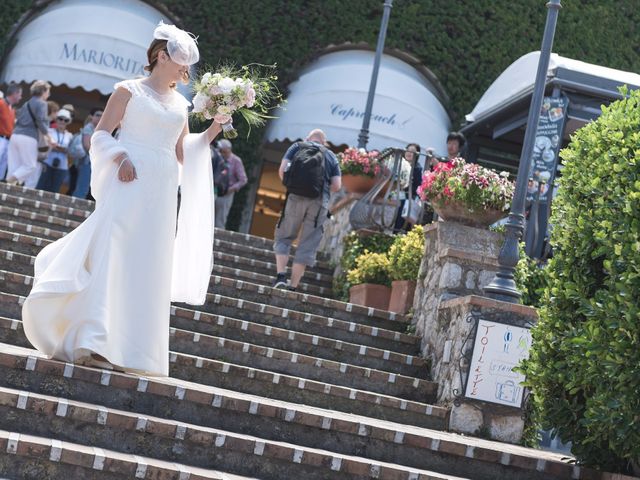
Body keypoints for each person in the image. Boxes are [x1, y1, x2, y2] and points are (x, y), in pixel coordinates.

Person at [22, 21, 220, 376]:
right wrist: (120, 156)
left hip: (161, 190)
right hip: (128, 180)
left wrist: (214, 129)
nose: (185, 69)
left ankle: (132, 350)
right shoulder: (127, 91)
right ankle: (95, 341)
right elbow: (99, 135)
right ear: (161, 57)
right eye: (180, 61)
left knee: (147, 263)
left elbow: (182, 152)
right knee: (113, 252)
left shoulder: (180, 104)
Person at [273, 129, 341, 291]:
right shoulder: (330, 155)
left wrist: (293, 186)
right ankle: (294, 286)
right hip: (318, 204)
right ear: (324, 142)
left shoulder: (297, 146)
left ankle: (281, 277)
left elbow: (282, 170)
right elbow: (337, 186)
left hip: (295, 198)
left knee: (284, 237)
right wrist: (321, 190)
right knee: (307, 244)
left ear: (308, 138)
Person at [6, 80, 52, 187]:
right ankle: (7, 182)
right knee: (30, 166)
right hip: (29, 136)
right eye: (48, 91)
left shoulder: (27, 103)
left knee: (14, 166)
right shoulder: (42, 103)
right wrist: (48, 135)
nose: (49, 94)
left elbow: (18, 119)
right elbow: (40, 121)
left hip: (15, 135)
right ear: (43, 91)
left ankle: (6, 188)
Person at [36, 108, 73, 193]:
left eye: (66, 120)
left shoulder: (70, 136)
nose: (62, 121)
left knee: (54, 190)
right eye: (60, 119)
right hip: (47, 163)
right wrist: (57, 148)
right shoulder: (49, 131)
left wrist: (58, 147)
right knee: (41, 187)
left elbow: (71, 151)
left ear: (68, 122)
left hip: (62, 166)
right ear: (56, 119)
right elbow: (43, 144)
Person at [213, 138, 247, 229]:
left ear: (229, 150)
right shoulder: (217, 157)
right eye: (220, 151)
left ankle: (216, 241)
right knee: (208, 216)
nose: (221, 153)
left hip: (226, 193)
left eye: (223, 151)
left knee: (220, 220)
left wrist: (231, 189)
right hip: (214, 190)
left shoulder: (236, 161)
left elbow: (243, 179)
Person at [72, 107, 103, 198]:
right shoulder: (88, 128)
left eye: (102, 115)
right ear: (91, 117)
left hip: (93, 162)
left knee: (86, 188)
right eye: (97, 115)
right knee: (82, 188)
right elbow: (86, 145)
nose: (100, 117)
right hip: (87, 162)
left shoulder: (99, 129)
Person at [394, 143, 423, 232]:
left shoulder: (417, 168)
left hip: (407, 197)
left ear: (416, 154)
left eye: (412, 151)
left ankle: (397, 231)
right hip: (395, 193)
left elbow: (417, 186)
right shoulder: (400, 163)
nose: (409, 153)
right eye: (408, 150)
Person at [0, 83, 22, 180]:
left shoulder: (12, 109)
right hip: (0, 138)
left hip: (8, 141)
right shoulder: (1, 103)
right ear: (15, 93)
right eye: (20, 94)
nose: (21, 97)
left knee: (2, 167)